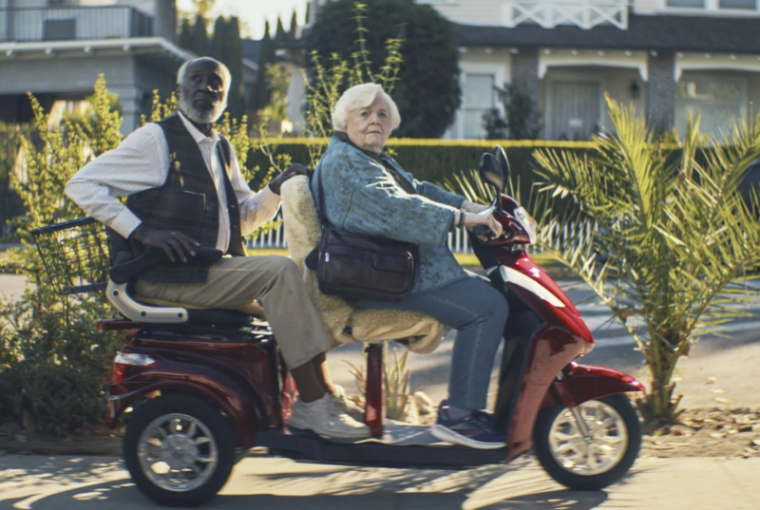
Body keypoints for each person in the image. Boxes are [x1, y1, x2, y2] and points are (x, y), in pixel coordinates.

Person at [65, 57, 368, 439]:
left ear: (225, 97)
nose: (206, 88)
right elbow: (81, 184)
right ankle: (311, 406)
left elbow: (241, 218)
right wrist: (142, 232)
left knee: (302, 295)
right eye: (197, 80)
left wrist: (274, 189)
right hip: (163, 275)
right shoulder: (155, 140)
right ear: (178, 92)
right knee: (279, 273)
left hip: (201, 271)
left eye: (216, 83)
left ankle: (323, 396)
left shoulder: (220, 147)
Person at [313, 83, 509, 450]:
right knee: (489, 306)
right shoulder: (345, 162)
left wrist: (471, 207)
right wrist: (461, 220)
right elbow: (393, 208)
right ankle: (461, 417)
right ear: (345, 121)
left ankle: (470, 409)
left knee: (495, 292)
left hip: (394, 271)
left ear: (390, 126)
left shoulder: (370, 159)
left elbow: (417, 190)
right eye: (364, 113)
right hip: (377, 279)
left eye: (382, 114)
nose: (374, 121)